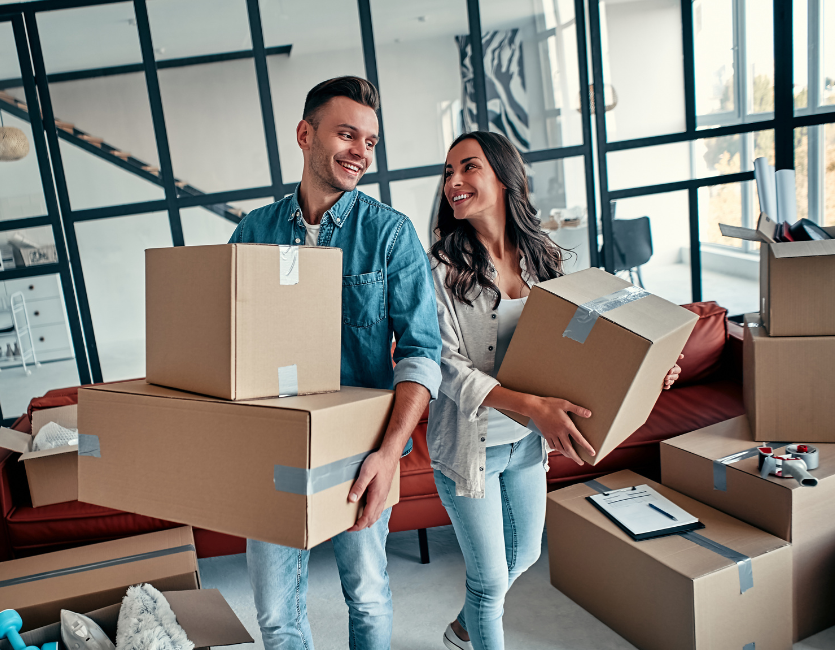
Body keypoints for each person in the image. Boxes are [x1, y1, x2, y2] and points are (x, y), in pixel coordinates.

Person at [427, 131, 682, 650]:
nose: (453, 181)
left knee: (521, 556)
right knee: (491, 580)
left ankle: (463, 629)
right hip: (468, 450)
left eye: (468, 167)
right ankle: (478, 629)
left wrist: (645, 367)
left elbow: (584, 347)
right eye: (448, 172)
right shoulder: (441, 270)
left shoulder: (543, 260)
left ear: (503, 176)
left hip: (525, 442)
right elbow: (444, 366)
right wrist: (530, 407)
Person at [228, 76, 442, 650]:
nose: (361, 152)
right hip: (272, 446)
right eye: (347, 134)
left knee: (368, 598)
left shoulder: (391, 236)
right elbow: (228, 345)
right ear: (305, 134)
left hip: (359, 453)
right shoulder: (252, 232)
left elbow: (423, 354)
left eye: (370, 141)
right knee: (275, 614)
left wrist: (390, 455)